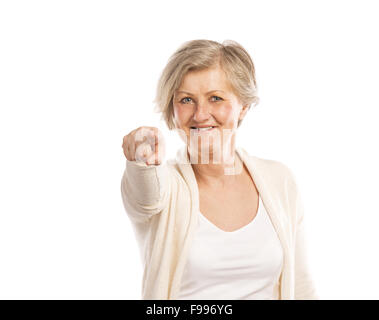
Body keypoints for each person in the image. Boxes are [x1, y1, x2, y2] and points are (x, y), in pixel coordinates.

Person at [120, 39, 318, 300]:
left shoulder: (279, 181)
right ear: (172, 109)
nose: (201, 114)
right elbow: (144, 197)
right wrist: (141, 160)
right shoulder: (165, 185)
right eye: (187, 100)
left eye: (216, 98)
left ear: (243, 106)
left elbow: (301, 285)